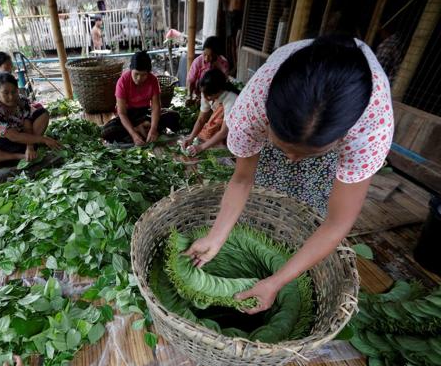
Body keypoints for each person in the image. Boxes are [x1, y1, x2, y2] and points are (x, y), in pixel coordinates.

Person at [185, 36, 394, 314]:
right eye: (283, 147)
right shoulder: (252, 106)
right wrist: (216, 236)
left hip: (336, 134)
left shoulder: (371, 130)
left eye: (307, 153)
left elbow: (336, 223)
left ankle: (286, 266)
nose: (291, 160)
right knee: (263, 192)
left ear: (342, 139)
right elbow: (242, 178)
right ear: (267, 119)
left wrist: (277, 281)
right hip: (288, 121)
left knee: (310, 211)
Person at [0, 73, 61, 165]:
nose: (11, 97)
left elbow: (27, 126)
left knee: (42, 113)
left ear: (17, 89)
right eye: (5, 93)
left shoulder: (22, 100)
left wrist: (30, 146)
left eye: (14, 92)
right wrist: (44, 139)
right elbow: (13, 136)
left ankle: (28, 149)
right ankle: (19, 156)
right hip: (0, 141)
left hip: (22, 135)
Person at [101, 51, 180, 145]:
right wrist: (134, 134)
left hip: (145, 113)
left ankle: (145, 127)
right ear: (131, 69)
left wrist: (153, 129)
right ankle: (139, 128)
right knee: (107, 131)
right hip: (129, 115)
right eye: (136, 74)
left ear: (148, 72)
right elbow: (121, 113)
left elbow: (155, 108)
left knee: (174, 116)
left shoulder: (153, 80)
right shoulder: (122, 81)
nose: (139, 78)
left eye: (143, 75)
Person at [181, 69, 239, 156]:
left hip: (236, 126)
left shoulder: (231, 98)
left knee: (226, 144)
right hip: (224, 125)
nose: (205, 98)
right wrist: (191, 138)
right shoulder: (206, 92)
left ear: (219, 91)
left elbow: (224, 132)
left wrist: (201, 147)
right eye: (204, 94)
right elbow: (201, 119)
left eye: (209, 95)